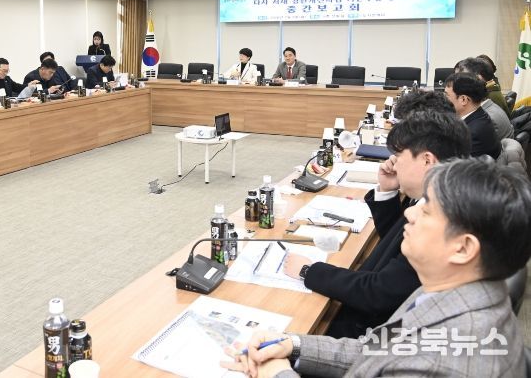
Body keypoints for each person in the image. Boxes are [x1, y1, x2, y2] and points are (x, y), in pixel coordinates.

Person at [223, 158, 531, 377]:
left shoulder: (444, 365)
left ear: (463, 248)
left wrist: (277, 373)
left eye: (427, 211)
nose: (410, 214)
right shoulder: (443, 291)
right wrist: (293, 345)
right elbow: (378, 348)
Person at [282, 109, 470, 339]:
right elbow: (396, 243)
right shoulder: (438, 196)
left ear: (427, 160)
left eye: (398, 156)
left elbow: (379, 293)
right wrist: (387, 191)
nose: (393, 164)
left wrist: (308, 271)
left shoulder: (442, 219)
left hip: (370, 333)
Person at [444, 72, 501, 159]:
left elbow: (451, 163)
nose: (443, 98)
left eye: (446, 95)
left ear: (463, 100)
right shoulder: (480, 116)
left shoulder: (472, 134)